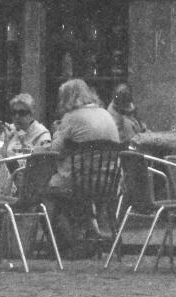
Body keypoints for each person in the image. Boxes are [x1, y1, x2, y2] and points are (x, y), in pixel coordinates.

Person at [41, 78, 120, 256]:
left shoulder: (71, 117)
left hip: (79, 181)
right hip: (107, 181)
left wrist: (56, 132)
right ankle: (90, 234)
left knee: (46, 193)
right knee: (78, 195)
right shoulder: (105, 114)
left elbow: (55, 151)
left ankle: (63, 244)